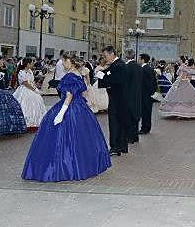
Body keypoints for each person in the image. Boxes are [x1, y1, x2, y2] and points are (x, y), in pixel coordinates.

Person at [22, 53, 111, 181]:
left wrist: (61, 113)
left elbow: (69, 96)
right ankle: (83, 165)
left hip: (70, 107)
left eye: (64, 61)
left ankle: (65, 168)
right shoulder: (78, 74)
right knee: (82, 138)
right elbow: (84, 90)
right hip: (80, 107)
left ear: (71, 62)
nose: (63, 63)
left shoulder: (70, 76)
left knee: (64, 139)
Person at [95, 46, 129, 156]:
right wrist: (102, 73)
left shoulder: (119, 65)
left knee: (114, 122)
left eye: (105, 56)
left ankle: (115, 147)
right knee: (120, 122)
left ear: (112, 53)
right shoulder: (117, 64)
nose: (105, 58)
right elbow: (109, 73)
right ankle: (121, 146)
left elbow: (115, 80)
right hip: (119, 98)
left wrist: (102, 76)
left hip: (117, 99)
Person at [12, 57, 46, 129]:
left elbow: (32, 81)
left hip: (31, 89)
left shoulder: (30, 71)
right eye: (31, 63)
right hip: (24, 90)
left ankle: (35, 121)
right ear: (27, 64)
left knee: (37, 103)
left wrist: (35, 87)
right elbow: (25, 83)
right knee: (25, 105)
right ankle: (26, 122)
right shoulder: (21, 72)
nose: (32, 64)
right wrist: (34, 89)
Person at [123, 49, 142, 143]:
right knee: (136, 115)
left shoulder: (126, 67)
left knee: (129, 116)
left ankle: (129, 137)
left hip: (128, 95)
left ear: (126, 56)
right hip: (137, 95)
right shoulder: (139, 67)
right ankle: (135, 136)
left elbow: (125, 83)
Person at [139, 53, 157, 135]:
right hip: (149, 94)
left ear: (143, 59)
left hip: (144, 94)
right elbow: (154, 82)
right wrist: (152, 92)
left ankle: (144, 128)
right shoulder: (150, 69)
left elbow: (144, 83)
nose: (138, 60)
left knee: (144, 112)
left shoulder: (143, 69)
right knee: (148, 112)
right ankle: (147, 127)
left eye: (139, 58)